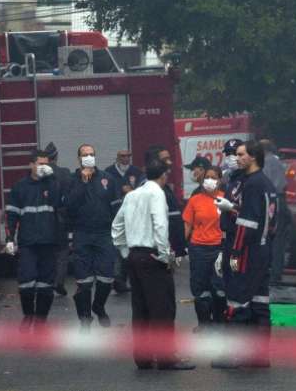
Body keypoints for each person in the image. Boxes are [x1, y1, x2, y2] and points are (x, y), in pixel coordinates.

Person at [112, 158, 195, 371]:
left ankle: (143, 358)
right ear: (164, 175)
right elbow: (160, 225)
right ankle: (167, 358)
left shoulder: (131, 195)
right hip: (152, 256)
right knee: (163, 309)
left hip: (134, 256)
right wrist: (166, 256)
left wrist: (124, 250)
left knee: (140, 310)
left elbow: (116, 226)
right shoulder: (157, 193)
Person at [216, 140, 277, 368]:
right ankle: (260, 356)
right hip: (262, 250)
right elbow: (271, 223)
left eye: (241, 154)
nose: (237, 158)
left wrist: (234, 253)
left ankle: (234, 355)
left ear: (253, 157)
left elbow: (247, 223)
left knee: (237, 301)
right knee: (260, 302)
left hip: (247, 251)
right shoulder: (266, 183)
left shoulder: (252, 184)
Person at [5, 150, 62, 331]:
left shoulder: (52, 185)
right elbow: (12, 215)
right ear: (31, 165)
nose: (43, 167)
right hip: (28, 242)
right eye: (39, 163)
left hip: (49, 241)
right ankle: (28, 315)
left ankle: (40, 321)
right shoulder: (20, 187)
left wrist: (52, 180)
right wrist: (9, 238)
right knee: (26, 282)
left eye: (46, 164)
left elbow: (59, 202)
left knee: (46, 284)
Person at [67, 144, 122, 329]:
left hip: (104, 233)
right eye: (85, 155)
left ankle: (98, 306)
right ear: (79, 159)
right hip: (81, 233)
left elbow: (116, 208)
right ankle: (85, 318)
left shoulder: (108, 179)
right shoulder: (72, 180)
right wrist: (83, 183)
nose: (89, 157)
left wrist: (119, 233)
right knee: (84, 281)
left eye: (91, 154)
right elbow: (70, 207)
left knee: (107, 277)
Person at [182, 165, 226, 332]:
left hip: (219, 250)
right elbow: (187, 226)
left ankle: (219, 322)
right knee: (200, 288)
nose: (209, 180)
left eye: (214, 177)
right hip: (198, 249)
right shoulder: (195, 200)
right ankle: (204, 323)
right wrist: (178, 248)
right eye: (207, 176)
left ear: (220, 180)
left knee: (219, 288)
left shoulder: (225, 200)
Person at [105, 150, 143, 293]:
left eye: (128, 156)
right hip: (115, 217)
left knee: (130, 249)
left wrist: (131, 191)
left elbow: (142, 191)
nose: (126, 158)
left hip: (133, 217)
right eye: (122, 156)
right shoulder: (109, 172)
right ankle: (117, 279)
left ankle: (127, 278)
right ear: (117, 157)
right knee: (116, 249)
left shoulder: (136, 172)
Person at [144, 145, 187, 260]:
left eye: (169, 158)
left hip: (170, 247)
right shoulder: (148, 187)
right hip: (158, 250)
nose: (170, 162)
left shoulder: (164, 186)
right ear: (154, 162)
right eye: (164, 160)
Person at [44, 142, 72, 297]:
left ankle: (47, 281)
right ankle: (58, 283)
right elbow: (69, 195)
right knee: (62, 253)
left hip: (43, 219)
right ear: (57, 157)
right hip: (61, 218)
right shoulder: (65, 173)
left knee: (48, 253)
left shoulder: (39, 175)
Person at [259, 139, 289, 284]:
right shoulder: (278, 162)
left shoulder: (266, 162)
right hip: (280, 200)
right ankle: (276, 272)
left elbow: (264, 183)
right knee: (279, 240)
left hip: (272, 201)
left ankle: (270, 273)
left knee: (269, 237)